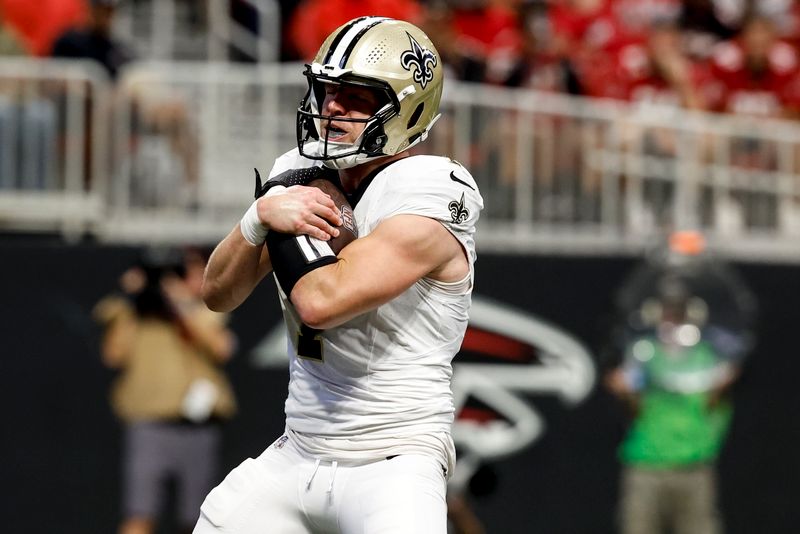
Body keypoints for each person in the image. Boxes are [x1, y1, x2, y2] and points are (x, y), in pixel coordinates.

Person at [194, 16, 483, 534]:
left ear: (407, 109)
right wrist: (258, 217)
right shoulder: (300, 172)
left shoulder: (434, 189)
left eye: (354, 96)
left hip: (392, 459)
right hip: (299, 448)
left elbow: (323, 300)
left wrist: (284, 210)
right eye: (326, 90)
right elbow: (217, 293)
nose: (331, 107)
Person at [605, 232, 755, 534]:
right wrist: (623, 390)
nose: (673, 318)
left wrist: (722, 384)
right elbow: (632, 404)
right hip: (646, 466)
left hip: (695, 466)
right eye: (668, 310)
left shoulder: (708, 357)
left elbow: (716, 402)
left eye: (679, 310)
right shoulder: (644, 353)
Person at [94, 248, 237, 534]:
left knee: (198, 519)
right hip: (150, 425)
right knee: (140, 513)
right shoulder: (136, 314)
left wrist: (181, 304)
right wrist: (131, 297)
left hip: (198, 427)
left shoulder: (202, 310)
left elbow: (222, 348)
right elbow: (112, 355)